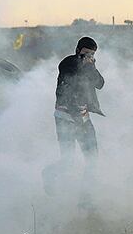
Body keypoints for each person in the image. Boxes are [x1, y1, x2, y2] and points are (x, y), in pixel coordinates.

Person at [43, 37, 105, 196]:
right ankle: (49, 174)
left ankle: (86, 200)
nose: (87, 57)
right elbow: (71, 74)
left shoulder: (90, 67)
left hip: (83, 119)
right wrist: (84, 64)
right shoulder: (68, 63)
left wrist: (92, 67)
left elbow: (100, 84)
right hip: (65, 119)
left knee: (92, 159)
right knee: (68, 161)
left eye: (91, 55)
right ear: (78, 50)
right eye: (85, 53)